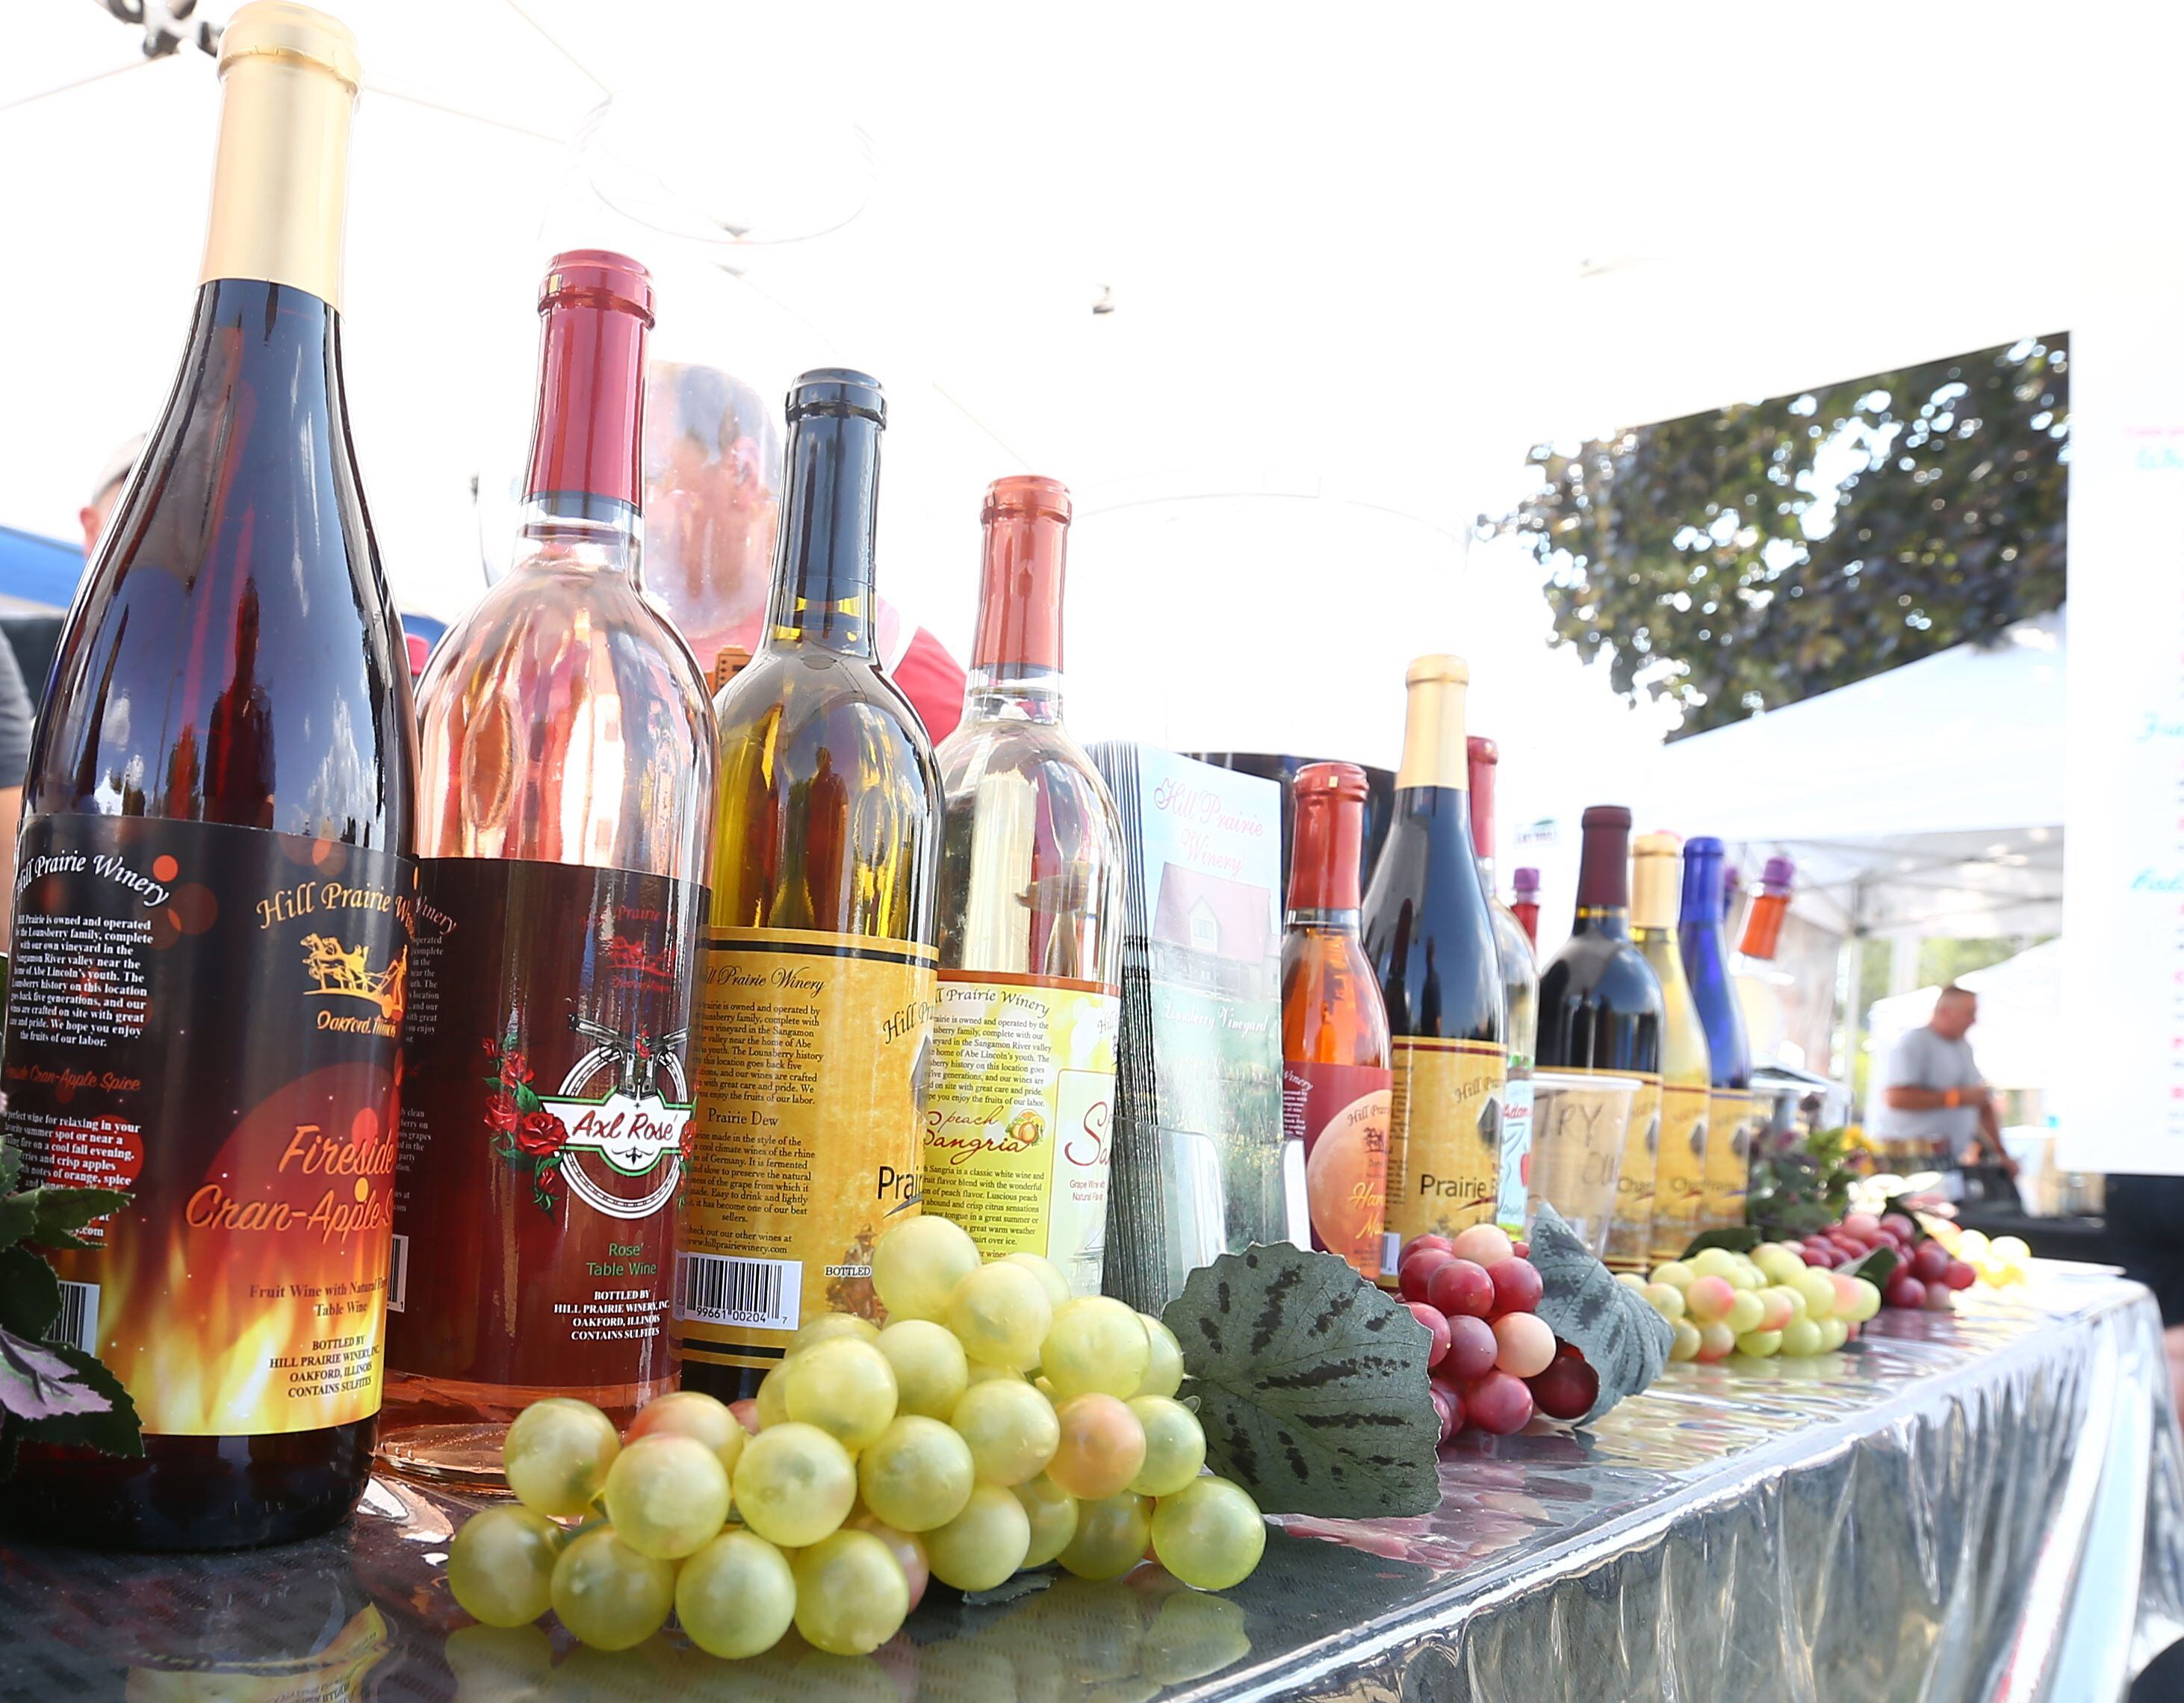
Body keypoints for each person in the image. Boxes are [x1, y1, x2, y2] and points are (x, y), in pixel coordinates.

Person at [1879, 985, 2016, 1176]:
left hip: (1950, 1160)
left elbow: (1980, 1102)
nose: (1973, 1021)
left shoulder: (1964, 1047)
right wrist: (1956, 1098)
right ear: (1944, 1011)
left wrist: (2000, 1152)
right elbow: (1896, 1098)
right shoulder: (1914, 1043)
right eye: (1969, 1013)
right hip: (1911, 1160)